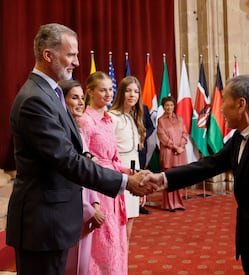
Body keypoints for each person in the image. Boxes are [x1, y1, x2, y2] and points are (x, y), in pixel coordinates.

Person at [6, 23, 156, 275]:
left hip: (54, 220)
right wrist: (125, 182)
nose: (77, 61)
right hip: (42, 223)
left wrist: (101, 163)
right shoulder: (35, 99)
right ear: (48, 55)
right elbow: (65, 159)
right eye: (71, 54)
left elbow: (72, 150)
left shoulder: (50, 92)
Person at [145, 75, 249, 274]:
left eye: (224, 100)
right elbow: (209, 165)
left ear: (241, 104)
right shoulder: (241, 136)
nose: (221, 108)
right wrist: (164, 178)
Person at [78, 71, 133, 274]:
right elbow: (82, 163)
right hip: (98, 192)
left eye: (111, 89)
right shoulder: (85, 121)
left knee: (117, 242)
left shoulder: (109, 120)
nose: (109, 94)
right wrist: (91, 203)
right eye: (103, 90)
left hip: (114, 188)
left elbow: (114, 160)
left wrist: (131, 174)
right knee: (101, 247)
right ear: (90, 92)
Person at [59, 79, 104, 275]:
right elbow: (66, 175)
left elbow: (87, 172)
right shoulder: (61, 134)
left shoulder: (78, 132)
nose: (80, 102)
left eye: (81, 98)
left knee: (82, 267)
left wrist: (94, 203)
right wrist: (87, 209)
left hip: (86, 208)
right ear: (62, 100)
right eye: (74, 98)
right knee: (71, 267)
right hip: (71, 210)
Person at [108, 76, 147, 242]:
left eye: (136, 91)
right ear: (121, 93)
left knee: (128, 232)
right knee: (116, 230)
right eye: (128, 90)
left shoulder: (132, 118)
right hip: (118, 177)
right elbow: (108, 153)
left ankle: (122, 267)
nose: (133, 94)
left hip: (133, 176)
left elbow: (134, 155)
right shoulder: (111, 117)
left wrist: (140, 184)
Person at [157, 96, 188, 212]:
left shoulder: (180, 118)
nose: (169, 107)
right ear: (163, 107)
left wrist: (181, 146)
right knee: (169, 179)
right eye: (166, 105)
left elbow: (185, 134)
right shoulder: (161, 120)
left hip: (181, 154)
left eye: (171, 105)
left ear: (174, 106)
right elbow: (163, 137)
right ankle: (169, 205)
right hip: (169, 154)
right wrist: (175, 147)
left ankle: (179, 203)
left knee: (179, 178)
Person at [138, 104, 155, 214]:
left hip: (141, 148)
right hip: (126, 149)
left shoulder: (144, 108)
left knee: (141, 175)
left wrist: (144, 135)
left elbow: (151, 127)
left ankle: (140, 204)